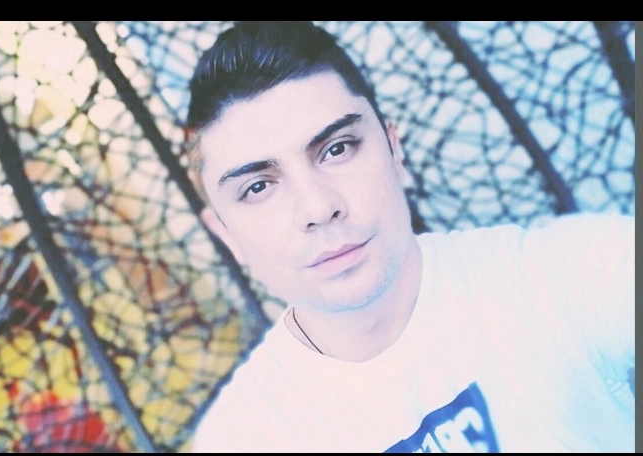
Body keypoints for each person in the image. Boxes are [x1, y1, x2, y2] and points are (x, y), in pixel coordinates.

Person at [183, 21, 635, 453]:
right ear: (225, 234)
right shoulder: (246, 437)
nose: (319, 208)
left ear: (393, 149)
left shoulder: (559, 275)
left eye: (336, 149)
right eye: (258, 187)